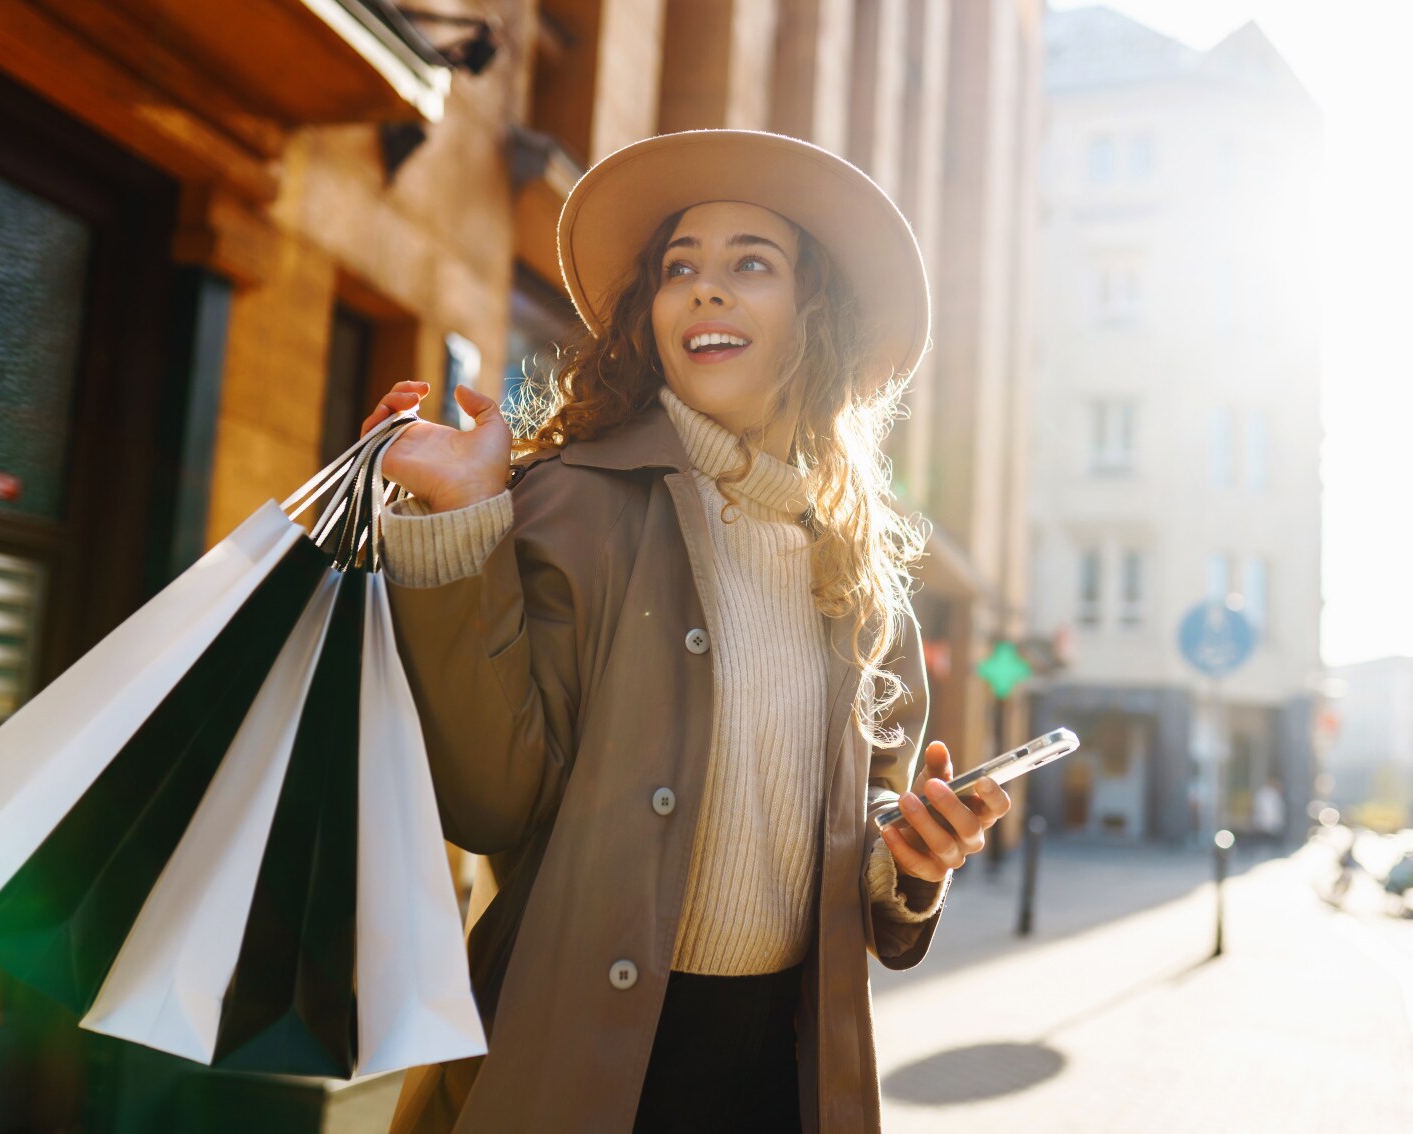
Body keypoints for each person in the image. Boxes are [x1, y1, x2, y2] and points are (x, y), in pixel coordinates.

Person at [364, 130, 1011, 1133]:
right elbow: (488, 805)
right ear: (650, 314)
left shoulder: (860, 573)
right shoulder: (567, 504)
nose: (704, 290)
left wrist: (910, 862)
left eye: (749, 262)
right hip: (570, 1061)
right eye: (679, 268)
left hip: (782, 1075)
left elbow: (869, 839)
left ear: (813, 312)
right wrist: (456, 526)